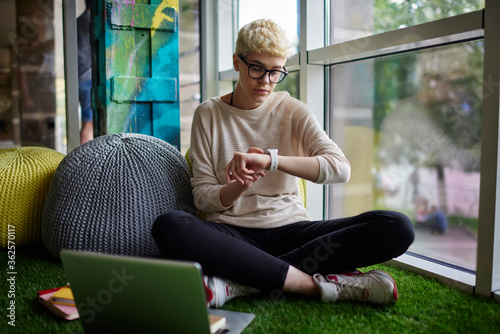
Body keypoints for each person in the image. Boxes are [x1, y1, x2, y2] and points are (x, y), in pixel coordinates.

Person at [152, 19, 414, 307]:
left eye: (276, 72)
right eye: (257, 69)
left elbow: (340, 168)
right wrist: (237, 187)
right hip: (233, 235)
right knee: (169, 225)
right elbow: (202, 199)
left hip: (293, 233)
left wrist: (270, 160)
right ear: (237, 63)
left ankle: (241, 282)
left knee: (396, 226)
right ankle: (316, 287)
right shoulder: (208, 114)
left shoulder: (294, 111)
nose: (266, 81)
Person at [77, 0, 93, 144]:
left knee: (88, 123)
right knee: (89, 124)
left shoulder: (77, 23)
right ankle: (84, 164)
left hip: (82, 79)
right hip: (88, 80)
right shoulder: (91, 23)